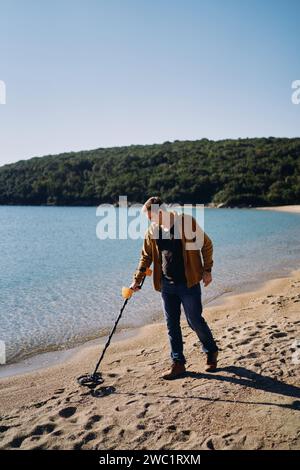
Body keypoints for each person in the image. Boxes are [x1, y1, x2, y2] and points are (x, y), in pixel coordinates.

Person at [130, 196, 219, 380]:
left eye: (150, 217)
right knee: (172, 325)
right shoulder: (153, 230)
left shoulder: (186, 222)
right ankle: (178, 363)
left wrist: (207, 270)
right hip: (166, 285)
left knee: (194, 320)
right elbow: (145, 257)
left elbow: (207, 245)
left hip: (189, 282)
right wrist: (137, 280)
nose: (148, 221)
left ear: (160, 213)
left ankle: (211, 351)